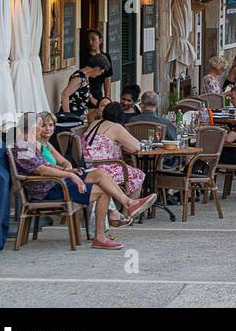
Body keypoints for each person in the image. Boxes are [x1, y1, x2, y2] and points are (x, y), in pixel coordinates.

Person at [13, 112, 155, 250]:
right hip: (48, 189)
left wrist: (69, 171)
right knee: (102, 191)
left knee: (99, 174)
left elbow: (47, 165)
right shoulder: (23, 146)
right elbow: (41, 170)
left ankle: (129, 204)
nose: (44, 129)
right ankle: (102, 235)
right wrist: (70, 175)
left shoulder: (30, 144)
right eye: (40, 125)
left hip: (56, 183)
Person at [81, 103, 148, 199]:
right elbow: (136, 147)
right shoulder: (116, 127)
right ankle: (129, 211)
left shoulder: (95, 123)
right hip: (105, 168)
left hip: (88, 167)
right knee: (138, 175)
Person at [79, 29, 113, 100]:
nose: (90, 42)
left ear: (100, 40)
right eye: (88, 40)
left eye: (93, 39)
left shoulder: (106, 56)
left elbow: (107, 77)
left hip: (98, 91)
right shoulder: (83, 56)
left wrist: (107, 96)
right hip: (85, 90)